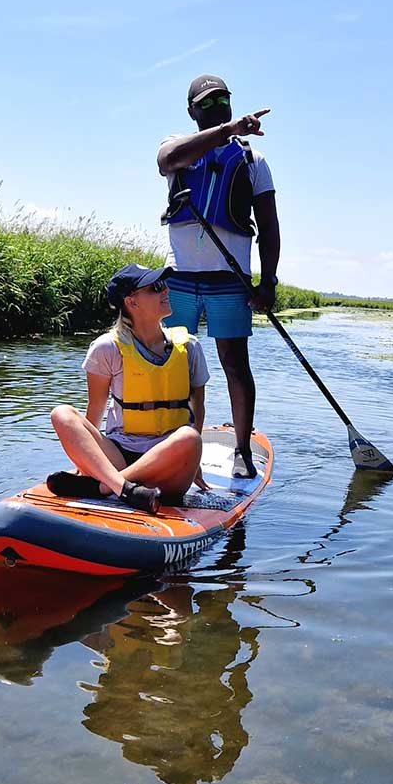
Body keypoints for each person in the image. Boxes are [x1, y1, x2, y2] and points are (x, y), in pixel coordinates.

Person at [156, 74, 281, 478]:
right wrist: (226, 130)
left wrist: (268, 283)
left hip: (229, 279)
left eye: (222, 101)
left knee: (234, 363)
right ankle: (169, 446)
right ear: (192, 112)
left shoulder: (253, 161)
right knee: (173, 364)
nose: (217, 108)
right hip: (179, 280)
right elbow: (165, 162)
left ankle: (241, 449)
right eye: (207, 104)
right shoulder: (176, 147)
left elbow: (270, 227)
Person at [47, 264, 210, 514]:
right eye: (155, 287)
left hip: (170, 463)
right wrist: (84, 461)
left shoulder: (190, 348)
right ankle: (125, 489)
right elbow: (95, 411)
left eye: (164, 284)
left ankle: (103, 487)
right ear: (131, 302)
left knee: (189, 437)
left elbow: (198, 408)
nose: (165, 290)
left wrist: (194, 459)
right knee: (62, 414)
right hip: (119, 454)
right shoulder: (106, 348)